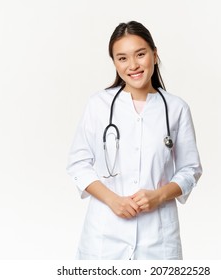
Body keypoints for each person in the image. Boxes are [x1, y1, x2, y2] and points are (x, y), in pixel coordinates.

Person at [67, 20, 202, 260]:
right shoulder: (99, 105)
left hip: (158, 240)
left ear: (154, 54)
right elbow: (78, 164)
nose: (133, 65)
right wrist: (113, 200)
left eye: (140, 54)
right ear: (114, 63)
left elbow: (190, 170)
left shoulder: (176, 108)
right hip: (104, 238)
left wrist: (158, 196)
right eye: (122, 58)